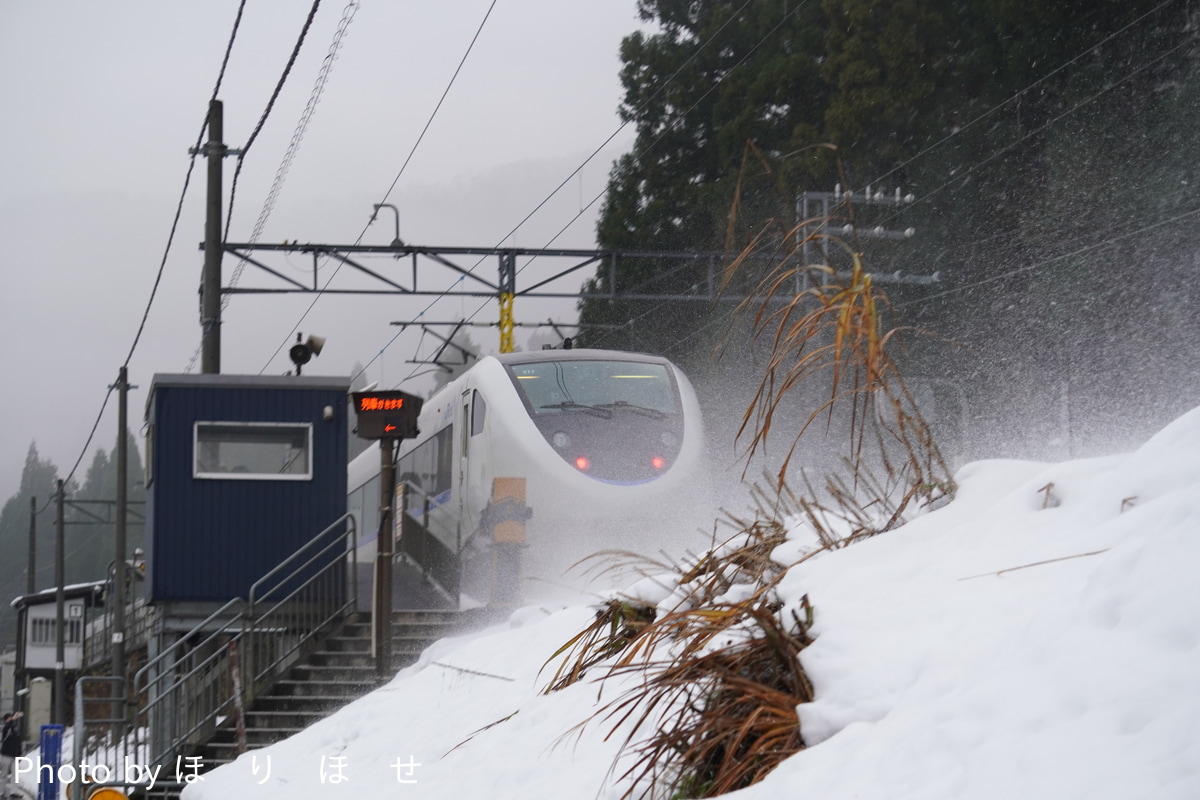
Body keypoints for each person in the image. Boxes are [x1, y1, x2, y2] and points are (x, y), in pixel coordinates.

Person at [1, 711, 21, 799]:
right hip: (5, 754)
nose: (11, 719)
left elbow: (18, 741)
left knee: (15, 774)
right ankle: (2, 792)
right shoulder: (5, 728)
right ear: (6, 720)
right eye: (9, 718)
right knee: (4, 774)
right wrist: (13, 719)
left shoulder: (16, 729)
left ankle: (14, 792)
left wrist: (20, 753)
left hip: (14, 755)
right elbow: (8, 726)